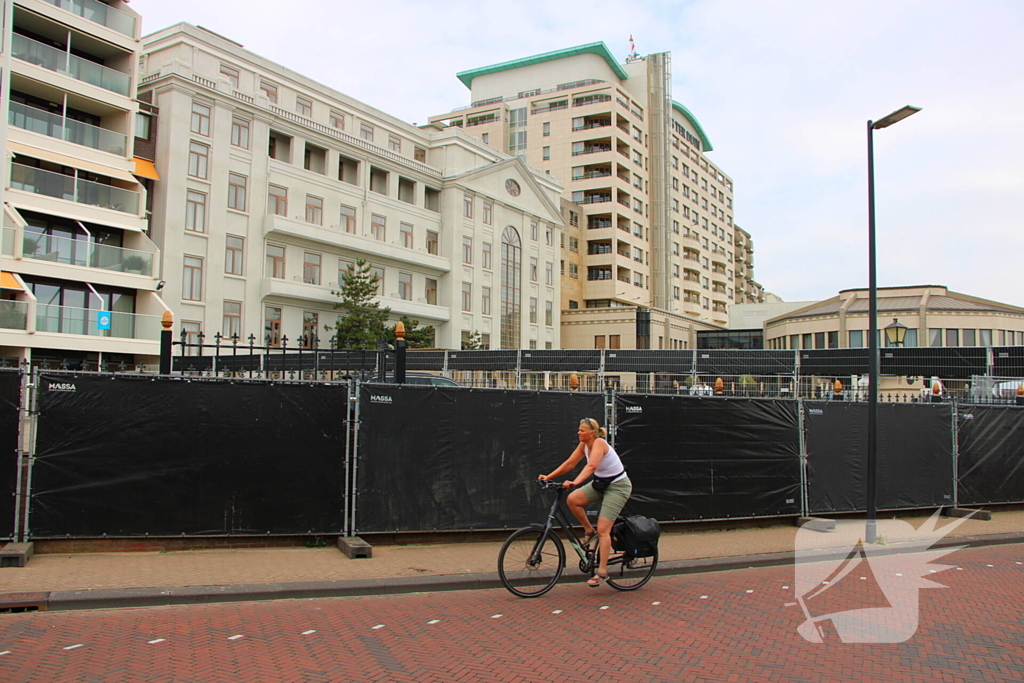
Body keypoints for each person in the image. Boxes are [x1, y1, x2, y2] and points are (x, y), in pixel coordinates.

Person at [539, 417, 632, 587]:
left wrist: (575, 482)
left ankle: (602, 572)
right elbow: (570, 463)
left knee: (604, 530)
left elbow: (591, 467)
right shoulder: (584, 445)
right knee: (573, 499)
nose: (578, 433)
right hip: (601, 483)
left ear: (592, 433)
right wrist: (548, 476)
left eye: (582, 430)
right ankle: (589, 530)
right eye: (579, 429)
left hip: (618, 487)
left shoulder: (599, 444)